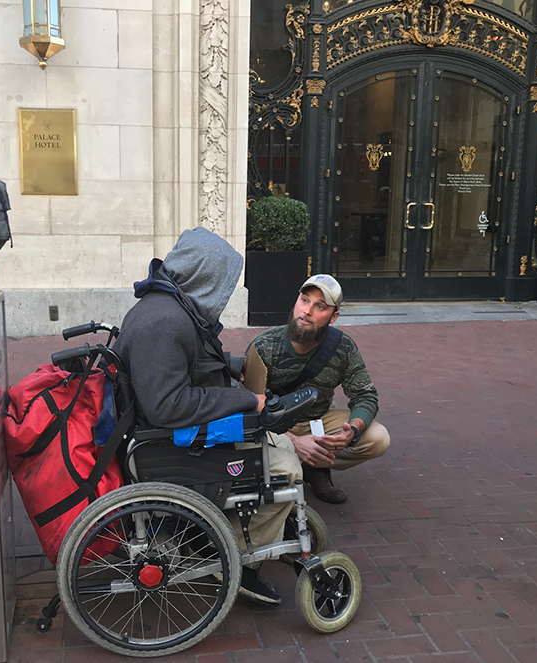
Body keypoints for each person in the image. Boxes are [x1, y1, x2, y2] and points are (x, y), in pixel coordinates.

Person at [113, 227, 300, 606]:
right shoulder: (165, 323)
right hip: (166, 447)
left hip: (161, 434)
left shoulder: (167, 305)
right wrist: (246, 400)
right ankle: (229, 556)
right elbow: (168, 406)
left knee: (277, 442)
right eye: (224, 285)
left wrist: (232, 366)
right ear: (205, 279)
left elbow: (182, 365)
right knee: (286, 468)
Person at [244, 274, 390, 504]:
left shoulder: (343, 347)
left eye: (320, 306)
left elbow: (365, 395)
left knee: (378, 438)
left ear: (334, 317)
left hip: (318, 422)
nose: (307, 311)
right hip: (273, 427)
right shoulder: (264, 345)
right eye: (304, 300)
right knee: (246, 439)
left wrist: (351, 431)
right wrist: (292, 440)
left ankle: (314, 466)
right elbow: (248, 404)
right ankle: (291, 464)